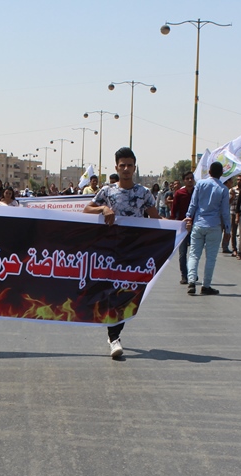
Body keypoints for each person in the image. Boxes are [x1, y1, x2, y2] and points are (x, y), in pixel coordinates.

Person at [83, 146, 159, 359]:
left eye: (130, 165)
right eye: (122, 165)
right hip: (110, 252)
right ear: (116, 167)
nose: (126, 169)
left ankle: (114, 331)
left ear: (134, 168)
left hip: (134, 251)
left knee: (128, 293)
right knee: (113, 291)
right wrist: (103, 209)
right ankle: (114, 336)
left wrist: (181, 226)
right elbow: (87, 209)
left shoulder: (144, 194)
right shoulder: (107, 192)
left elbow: (157, 220)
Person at [185, 161, 230, 295]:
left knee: (194, 255)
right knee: (211, 258)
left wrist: (188, 218)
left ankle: (191, 282)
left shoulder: (200, 184)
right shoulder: (223, 189)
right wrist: (228, 229)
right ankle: (206, 285)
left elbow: (193, 204)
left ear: (209, 172)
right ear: (221, 174)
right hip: (214, 226)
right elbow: (225, 212)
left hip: (198, 224)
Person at [172, 172, 195, 284]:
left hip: (195, 226)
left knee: (194, 253)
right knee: (183, 253)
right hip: (182, 226)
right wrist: (173, 224)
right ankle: (184, 275)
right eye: (187, 178)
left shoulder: (197, 192)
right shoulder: (179, 193)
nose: (190, 180)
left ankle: (192, 274)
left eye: (191, 178)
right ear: (184, 181)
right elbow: (173, 210)